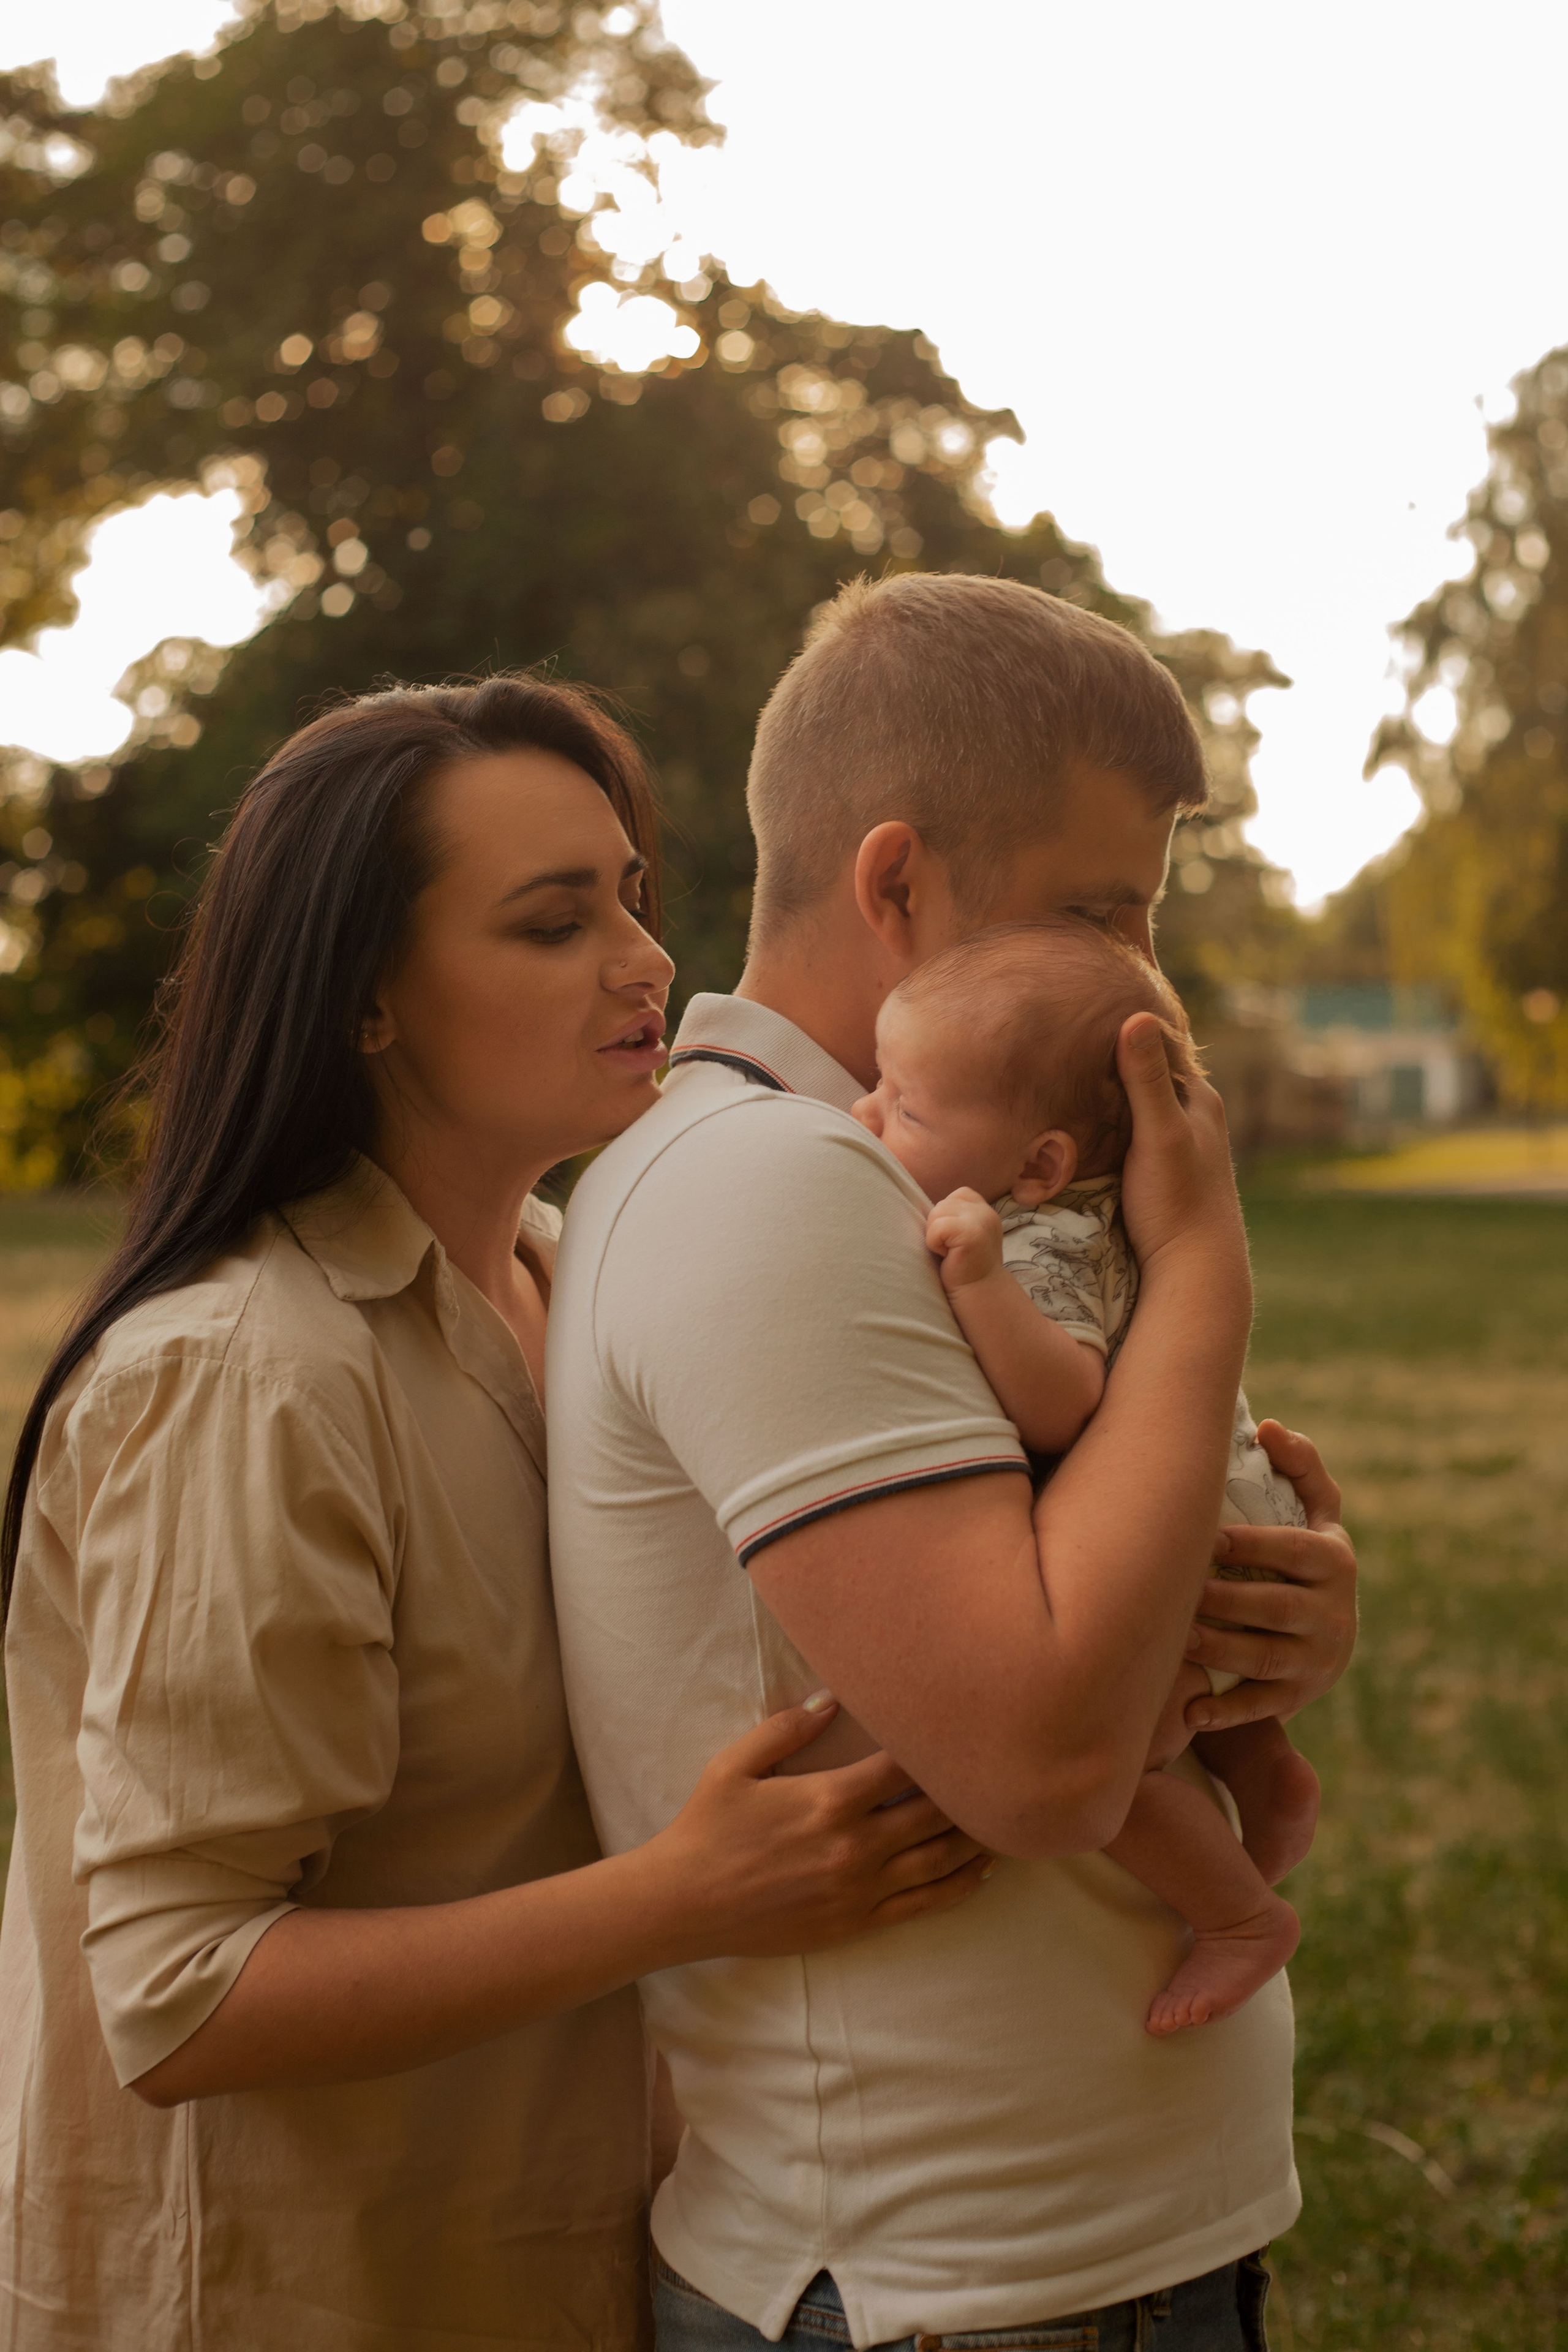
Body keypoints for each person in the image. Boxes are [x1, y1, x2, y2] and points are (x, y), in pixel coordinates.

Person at [0, 674, 992, 2352]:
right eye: (552, 923)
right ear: (365, 1001)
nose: (646, 960)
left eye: (632, 898)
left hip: (573, 2260)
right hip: (295, 2297)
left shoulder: (581, 1271)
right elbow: (179, 1992)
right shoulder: (251, 1375)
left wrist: (1225, 1574)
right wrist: (685, 1895)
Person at [546, 575, 1359, 2352]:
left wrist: (1260, 1618)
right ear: (896, 884)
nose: (1139, 980)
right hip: (951, 2288)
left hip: (1055, 2264)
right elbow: (1048, 1761)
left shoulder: (913, 1181)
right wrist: (1203, 1263)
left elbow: (1087, 1563)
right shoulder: (773, 1183)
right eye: (1094, 910)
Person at [853, 917, 1321, 2038]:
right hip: (1228, 1503)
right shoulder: (1105, 1215)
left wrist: (979, 1284)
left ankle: (1239, 1916)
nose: (865, 1115)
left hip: (1186, 1535)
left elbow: (1064, 1400)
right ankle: (1265, 1770)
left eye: (904, 1107)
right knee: (1192, 1698)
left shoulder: (1033, 1243)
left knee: (1117, 1764)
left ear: (1042, 1164)